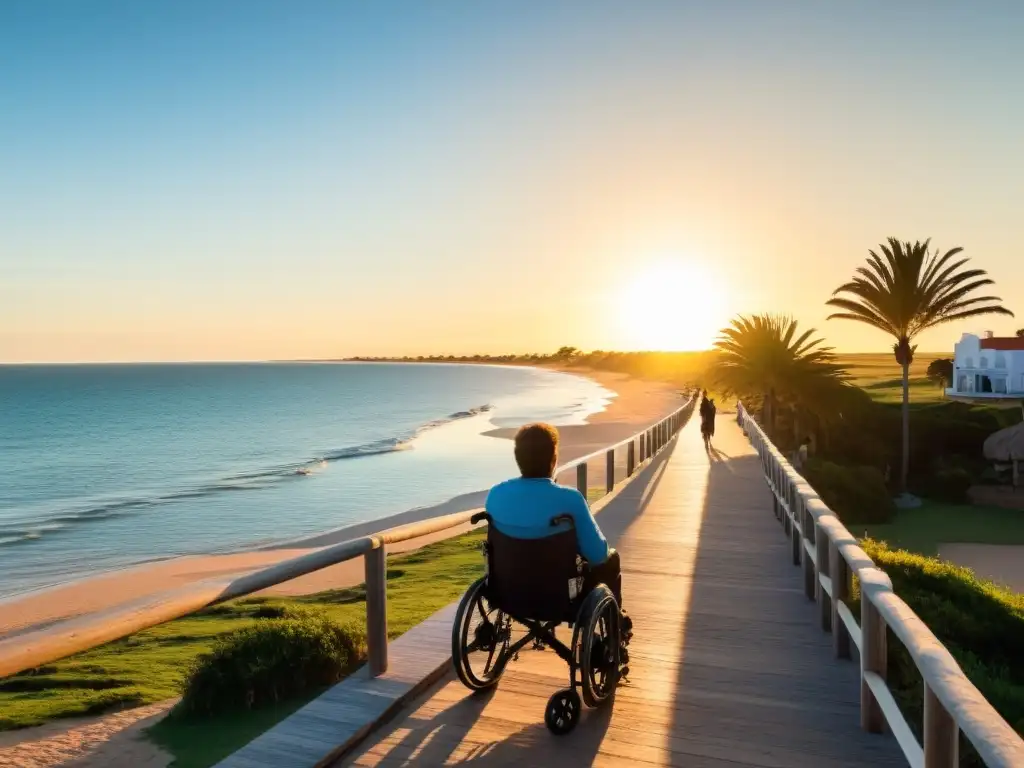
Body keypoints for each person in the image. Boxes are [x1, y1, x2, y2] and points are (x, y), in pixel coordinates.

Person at [485, 423, 630, 637]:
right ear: (554, 459)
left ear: (518, 458)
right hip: (559, 599)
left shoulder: (496, 494)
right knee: (611, 559)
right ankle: (614, 627)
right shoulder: (569, 499)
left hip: (507, 593)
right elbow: (598, 554)